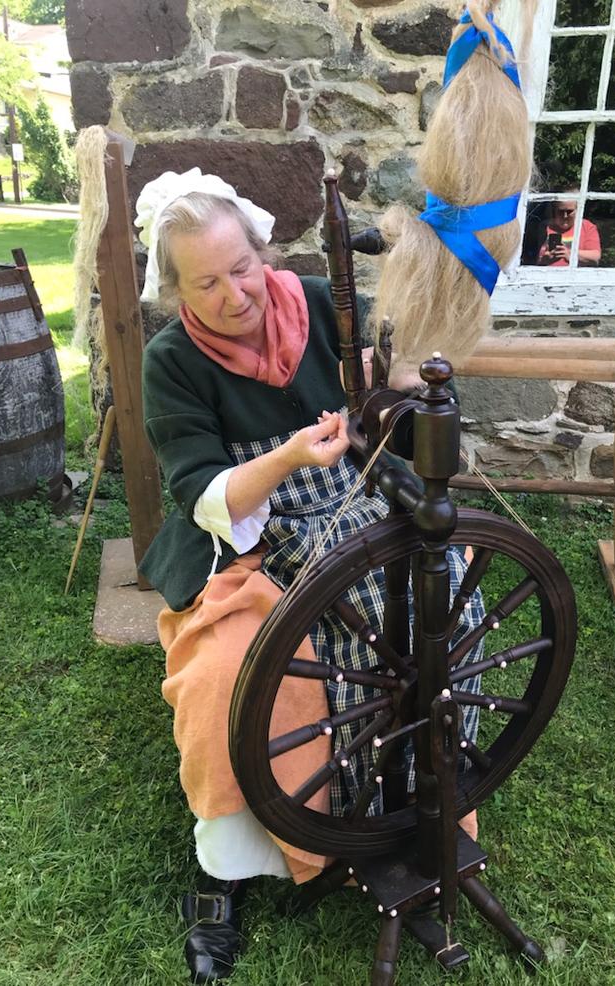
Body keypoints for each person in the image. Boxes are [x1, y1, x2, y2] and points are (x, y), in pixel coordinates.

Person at [135, 168, 484, 984]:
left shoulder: (322, 302)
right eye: (206, 282)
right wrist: (288, 457)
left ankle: (406, 814)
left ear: (265, 251)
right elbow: (201, 494)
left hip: (353, 505)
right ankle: (224, 871)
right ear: (177, 289)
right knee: (229, 676)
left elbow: (387, 409)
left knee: (436, 610)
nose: (234, 296)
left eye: (242, 268)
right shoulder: (172, 361)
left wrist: (396, 385)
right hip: (242, 538)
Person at [537, 194, 601, 267]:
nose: (565, 216)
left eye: (569, 211)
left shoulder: (587, 227)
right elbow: (531, 258)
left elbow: (595, 257)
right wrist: (544, 260)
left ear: (577, 210)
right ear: (554, 210)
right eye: (561, 211)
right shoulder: (544, 227)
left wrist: (569, 254)